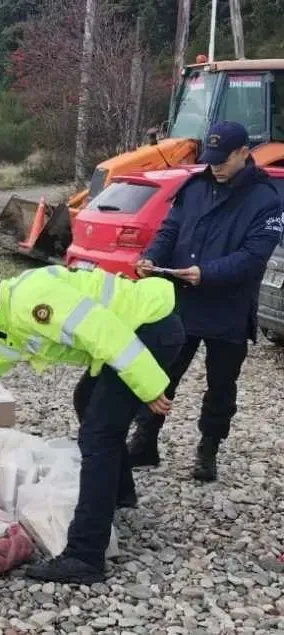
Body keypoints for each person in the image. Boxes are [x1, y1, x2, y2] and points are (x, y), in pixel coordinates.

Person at [0, 265, 184, 584]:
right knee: (87, 400)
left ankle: (85, 556)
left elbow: (105, 333)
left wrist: (151, 385)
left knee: (97, 437)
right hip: (137, 329)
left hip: (147, 331)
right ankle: (119, 493)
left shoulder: (33, 303)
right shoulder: (10, 315)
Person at [128, 120, 284, 482]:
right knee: (162, 373)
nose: (214, 165)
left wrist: (206, 274)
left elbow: (253, 257)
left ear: (244, 153)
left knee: (221, 385)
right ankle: (145, 440)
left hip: (229, 308)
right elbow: (170, 228)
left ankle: (208, 449)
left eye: (222, 159)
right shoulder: (195, 186)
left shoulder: (266, 200)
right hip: (182, 302)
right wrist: (151, 256)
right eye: (210, 157)